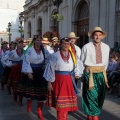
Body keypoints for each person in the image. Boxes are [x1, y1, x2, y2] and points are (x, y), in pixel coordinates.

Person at [43, 37, 84, 120]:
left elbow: (78, 66)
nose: (66, 45)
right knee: (60, 102)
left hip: (69, 80)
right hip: (58, 80)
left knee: (66, 103)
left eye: (67, 44)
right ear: (61, 44)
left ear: (69, 45)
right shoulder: (55, 55)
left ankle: (63, 118)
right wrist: (49, 83)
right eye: (64, 43)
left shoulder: (73, 55)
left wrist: (77, 73)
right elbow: (50, 69)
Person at [17, 35, 50, 120]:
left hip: (40, 72)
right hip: (31, 71)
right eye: (37, 40)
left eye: (40, 40)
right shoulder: (30, 50)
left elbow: (50, 58)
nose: (39, 42)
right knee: (30, 91)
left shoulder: (44, 50)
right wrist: (28, 72)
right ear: (34, 41)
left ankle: (39, 111)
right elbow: (26, 61)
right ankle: (29, 103)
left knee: (41, 93)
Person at [80, 27, 110, 120]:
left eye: (99, 35)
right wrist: (82, 74)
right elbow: (81, 61)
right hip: (90, 74)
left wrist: (103, 72)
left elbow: (106, 62)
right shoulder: (86, 46)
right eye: (96, 35)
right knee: (91, 96)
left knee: (100, 97)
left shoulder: (106, 47)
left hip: (101, 74)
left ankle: (90, 116)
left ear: (102, 36)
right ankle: (95, 117)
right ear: (93, 36)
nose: (97, 37)